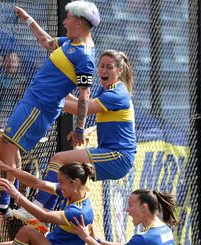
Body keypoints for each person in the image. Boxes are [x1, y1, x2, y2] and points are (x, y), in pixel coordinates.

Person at [0, 1, 100, 227]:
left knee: (7, 147)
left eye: (67, 18)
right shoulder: (71, 42)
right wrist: (28, 18)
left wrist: (79, 127)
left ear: (78, 23)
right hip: (33, 101)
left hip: (39, 107)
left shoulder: (84, 56)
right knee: (12, 150)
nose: (64, 21)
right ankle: (7, 203)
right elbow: (48, 42)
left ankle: (2, 207)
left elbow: (84, 96)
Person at [32, 49, 136, 216]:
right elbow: (81, 102)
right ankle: (44, 214)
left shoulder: (118, 94)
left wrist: (49, 93)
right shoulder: (108, 89)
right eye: (101, 66)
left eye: (109, 67)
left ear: (119, 70)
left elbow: (80, 109)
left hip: (118, 156)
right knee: (66, 169)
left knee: (59, 158)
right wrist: (58, 91)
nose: (103, 70)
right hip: (110, 152)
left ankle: (37, 209)